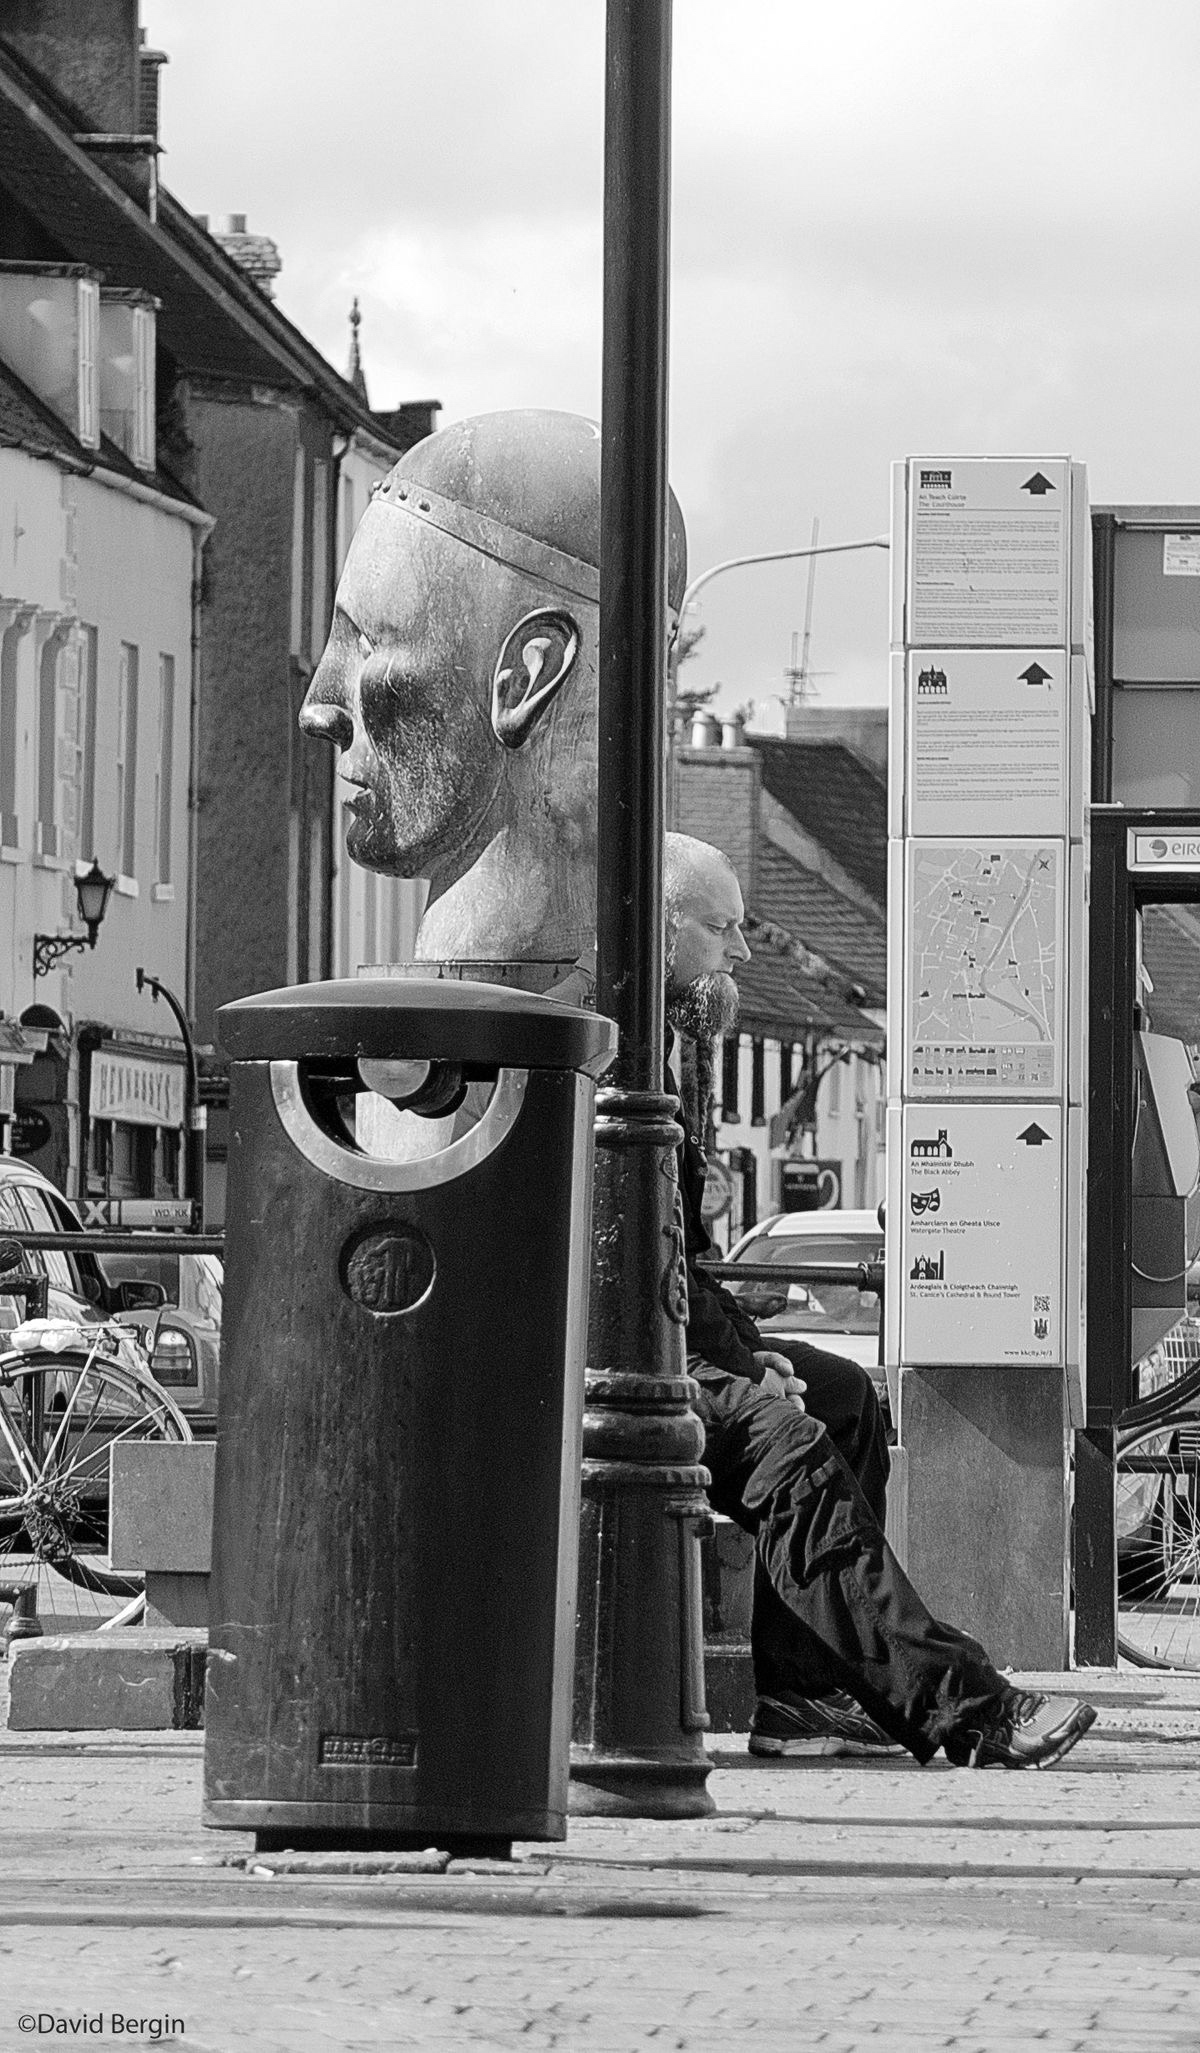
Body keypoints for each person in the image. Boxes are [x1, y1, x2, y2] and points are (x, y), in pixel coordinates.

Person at [664, 831, 1096, 1769]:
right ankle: (966, 1705)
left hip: (672, 1345)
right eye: (723, 929)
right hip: (618, 1365)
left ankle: (805, 1696)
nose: (742, 950)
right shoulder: (618, 1050)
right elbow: (629, 1271)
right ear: (661, 927)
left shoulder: (674, 1047)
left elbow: (681, 1265)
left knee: (847, 1397)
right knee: (792, 1445)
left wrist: (755, 1356)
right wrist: (744, 1374)